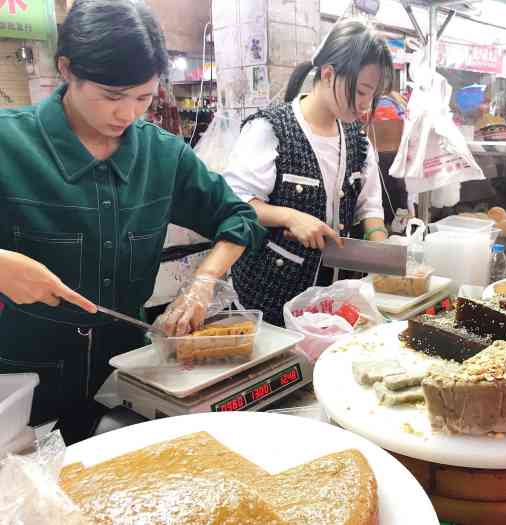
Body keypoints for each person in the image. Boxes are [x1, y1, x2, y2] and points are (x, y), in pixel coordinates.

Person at [0, 0, 266, 444]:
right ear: (67, 70)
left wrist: (203, 281)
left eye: (143, 97)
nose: (128, 114)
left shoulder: (164, 155)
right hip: (21, 388)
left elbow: (239, 217)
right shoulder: (10, 143)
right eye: (111, 96)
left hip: (125, 382)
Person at [223, 19, 392, 326]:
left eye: (373, 94)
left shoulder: (357, 138)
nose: (366, 104)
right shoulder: (270, 129)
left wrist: (380, 247)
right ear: (328, 74)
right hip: (267, 297)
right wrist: (289, 217)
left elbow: (370, 206)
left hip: (331, 300)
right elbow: (235, 203)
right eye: (363, 91)